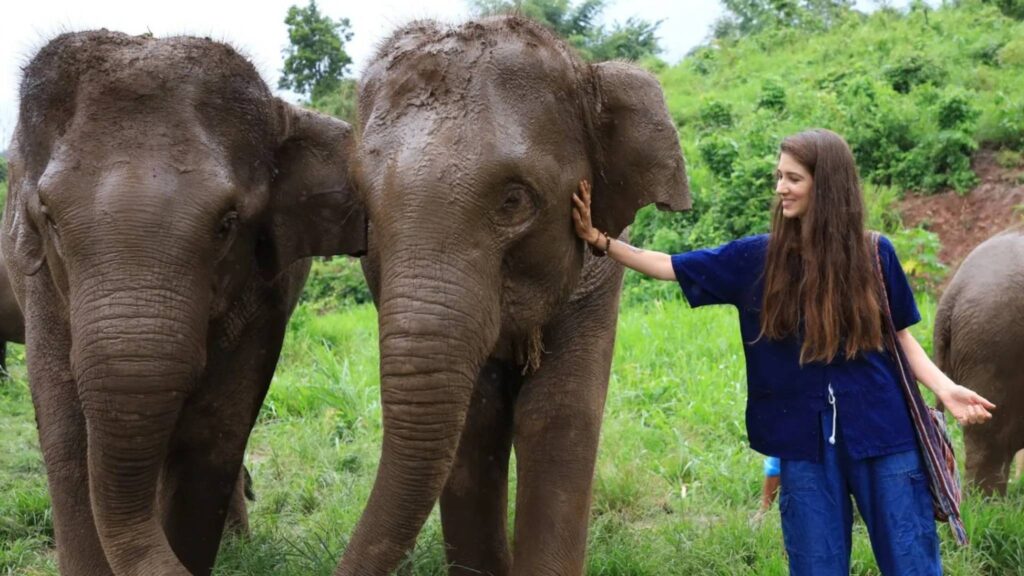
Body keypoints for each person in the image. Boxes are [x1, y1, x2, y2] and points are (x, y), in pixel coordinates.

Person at [571, 128, 995, 575]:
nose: (780, 188)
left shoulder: (874, 253)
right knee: (815, 567)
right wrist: (600, 240)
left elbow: (899, 339)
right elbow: (668, 265)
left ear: (826, 184)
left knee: (912, 564)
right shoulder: (758, 258)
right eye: (778, 176)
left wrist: (945, 390)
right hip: (803, 444)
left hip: (884, 434)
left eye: (793, 178)